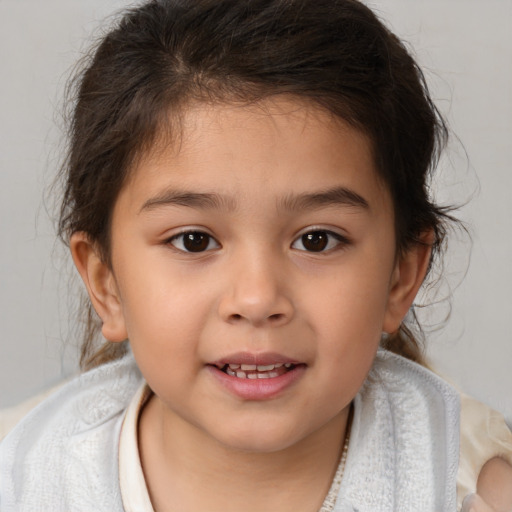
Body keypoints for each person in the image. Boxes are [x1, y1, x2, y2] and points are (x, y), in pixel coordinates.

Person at [0, 0, 511, 510]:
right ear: (105, 280)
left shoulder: (474, 490)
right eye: (193, 240)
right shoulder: (23, 477)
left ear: (401, 275)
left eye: (317, 239)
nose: (257, 298)